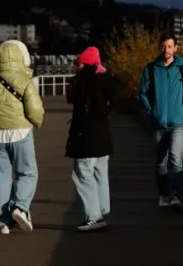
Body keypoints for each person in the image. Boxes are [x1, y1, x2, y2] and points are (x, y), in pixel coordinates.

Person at [0, 39, 45, 234]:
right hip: (21, 132)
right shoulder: (25, 81)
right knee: (27, 173)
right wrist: (36, 121)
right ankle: (20, 207)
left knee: (0, 178)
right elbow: (35, 109)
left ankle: (2, 223)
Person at [138, 32, 183, 211]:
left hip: (177, 123)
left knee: (176, 159)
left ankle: (176, 197)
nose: (166, 49)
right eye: (164, 46)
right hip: (158, 123)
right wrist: (150, 111)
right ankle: (164, 195)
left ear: (176, 48)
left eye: (170, 46)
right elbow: (142, 93)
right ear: (160, 47)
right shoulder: (150, 69)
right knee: (161, 162)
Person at [65, 46, 113, 232]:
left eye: (78, 63)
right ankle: (103, 212)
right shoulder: (106, 81)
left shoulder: (82, 82)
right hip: (104, 136)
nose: (75, 66)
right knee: (100, 174)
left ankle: (94, 216)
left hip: (87, 136)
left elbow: (73, 101)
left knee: (81, 173)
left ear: (85, 64)